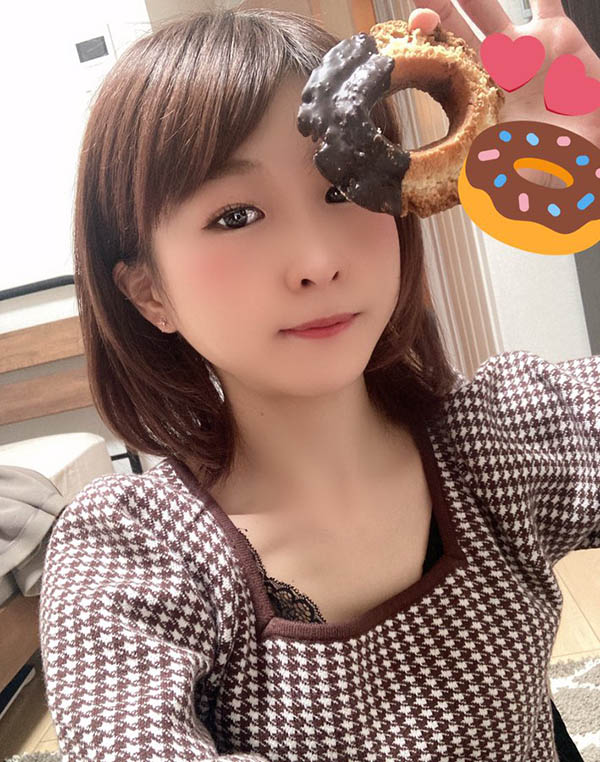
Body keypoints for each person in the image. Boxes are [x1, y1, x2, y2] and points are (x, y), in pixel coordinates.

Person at [38, 3, 599, 760]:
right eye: (236, 216)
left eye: (341, 189)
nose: (317, 262)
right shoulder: (131, 553)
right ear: (147, 292)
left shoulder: (501, 437)